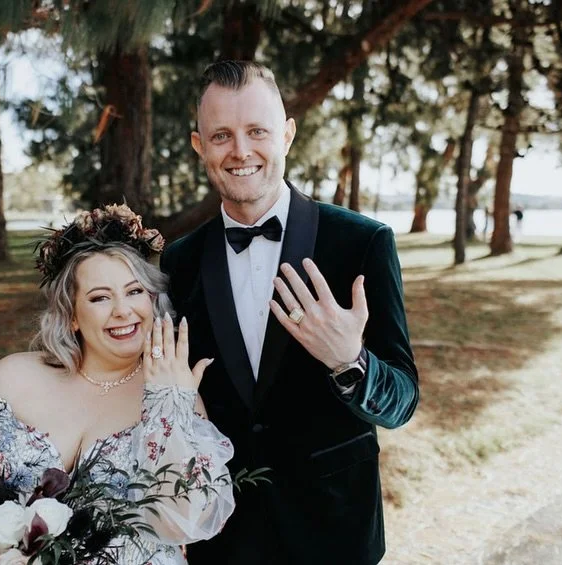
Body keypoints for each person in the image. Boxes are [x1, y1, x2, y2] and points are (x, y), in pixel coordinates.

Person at [161, 61, 419, 565]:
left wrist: (351, 361)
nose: (240, 151)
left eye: (257, 131)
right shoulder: (179, 260)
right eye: (221, 136)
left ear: (288, 134)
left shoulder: (362, 243)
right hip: (224, 537)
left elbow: (402, 403)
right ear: (199, 146)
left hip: (334, 532)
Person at [0, 204, 235, 565]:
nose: (123, 311)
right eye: (100, 297)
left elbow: (187, 520)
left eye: (135, 292)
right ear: (71, 315)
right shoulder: (14, 377)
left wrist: (170, 407)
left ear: (153, 300)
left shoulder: (178, 393)